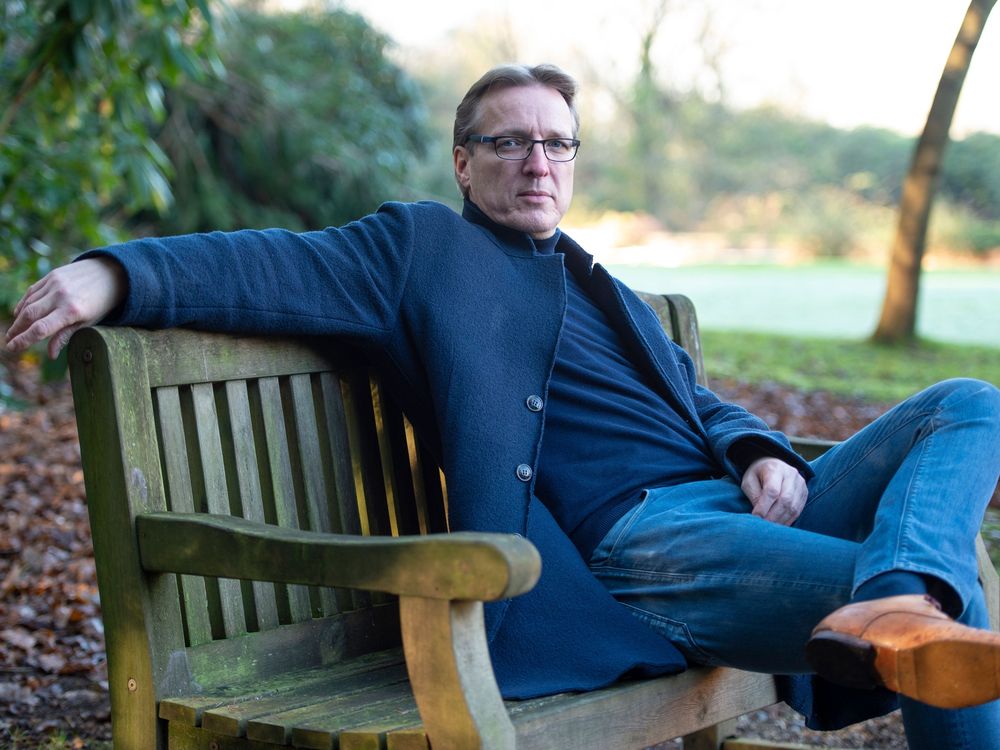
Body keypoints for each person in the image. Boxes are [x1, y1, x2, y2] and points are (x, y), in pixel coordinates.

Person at [5, 63, 1000, 748]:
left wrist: (751, 446)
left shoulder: (590, 277)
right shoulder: (423, 252)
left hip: (730, 504)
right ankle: (908, 596)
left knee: (966, 401)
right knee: (959, 595)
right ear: (462, 159)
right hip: (644, 542)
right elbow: (272, 261)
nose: (538, 164)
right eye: (511, 143)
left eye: (558, 146)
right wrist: (112, 274)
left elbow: (688, 394)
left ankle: (901, 591)